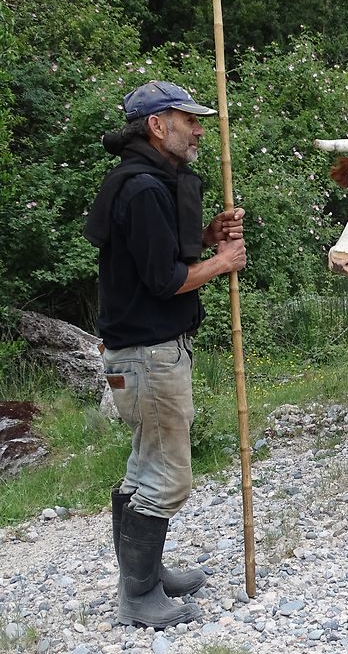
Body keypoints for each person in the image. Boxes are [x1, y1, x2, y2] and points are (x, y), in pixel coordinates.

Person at [84, 80, 247, 628]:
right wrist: (221, 262)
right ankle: (138, 598)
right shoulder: (144, 189)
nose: (199, 129)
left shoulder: (141, 181)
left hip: (138, 354)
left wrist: (205, 237)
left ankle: (145, 578)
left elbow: (151, 254)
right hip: (148, 355)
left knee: (142, 466)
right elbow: (164, 280)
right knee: (168, 477)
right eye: (189, 120)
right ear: (158, 126)